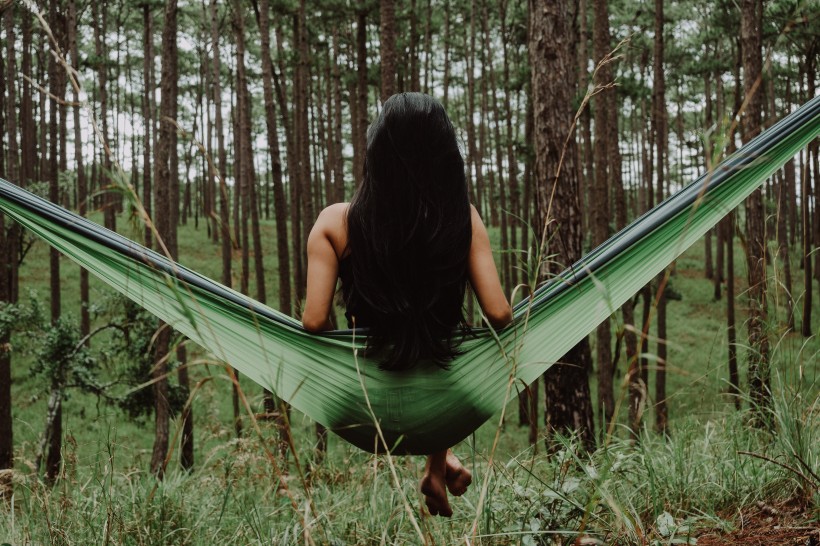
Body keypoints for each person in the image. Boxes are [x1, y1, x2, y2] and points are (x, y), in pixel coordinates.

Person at [302, 92, 512, 518]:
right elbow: (499, 314)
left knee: (413, 350)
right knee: (433, 353)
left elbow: (314, 320)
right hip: (450, 403)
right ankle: (440, 461)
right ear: (445, 157)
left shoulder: (334, 222)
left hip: (363, 403)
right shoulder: (463, 220)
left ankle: (439, 469)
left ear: (377, 153)